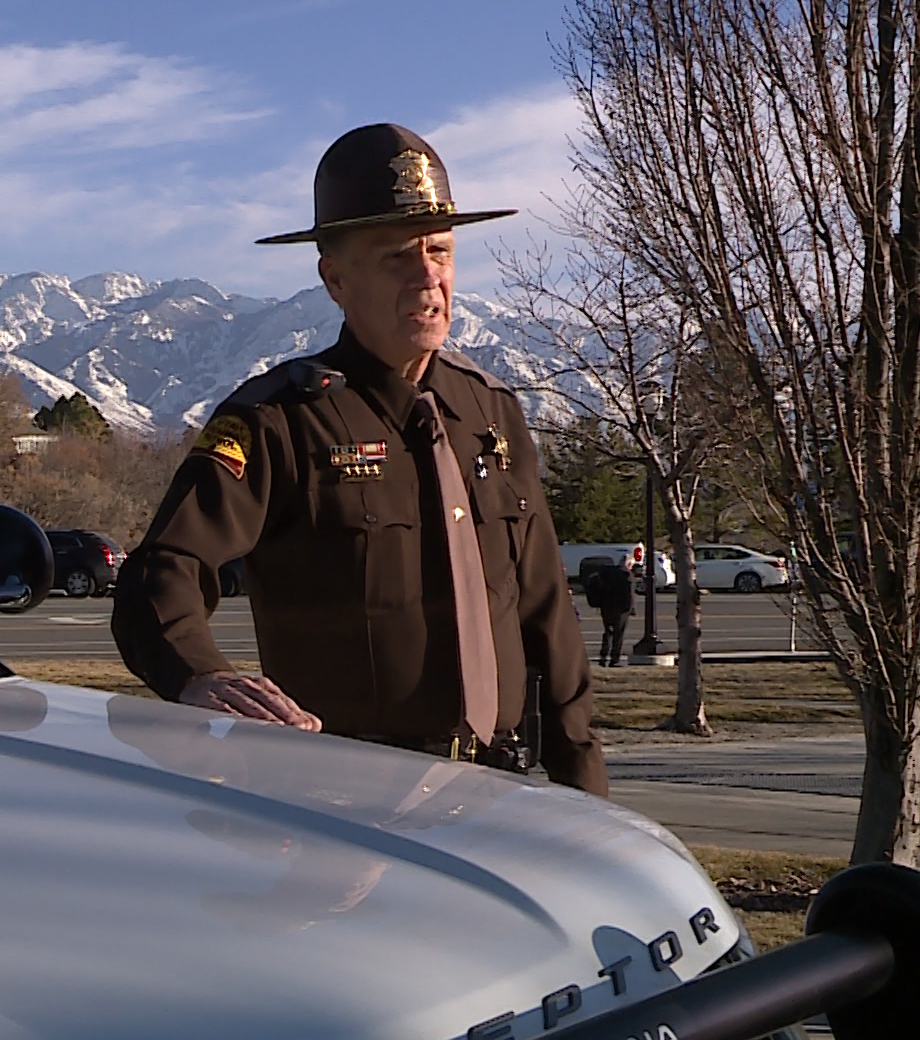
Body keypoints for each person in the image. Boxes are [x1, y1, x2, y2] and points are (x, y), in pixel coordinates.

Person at [109, 122, 607, 796]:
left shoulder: (491, 414)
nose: (428, 275)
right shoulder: (280, 421)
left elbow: (549, 619)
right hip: (350, 804)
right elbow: (160, 573)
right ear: (334, 277)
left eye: (440, 250)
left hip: (498, 796)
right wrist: (200, 674)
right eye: (397, 257)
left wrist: (585, 792)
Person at [587, 559, 636, 667]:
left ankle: (603, 656)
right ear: (628, 564)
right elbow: (630, 594)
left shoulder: (606, 574)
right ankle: (614, 659)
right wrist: (631, 609)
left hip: (606, 607)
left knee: (608, 632)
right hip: (621, 609)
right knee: (618, 635)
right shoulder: (626, 575)